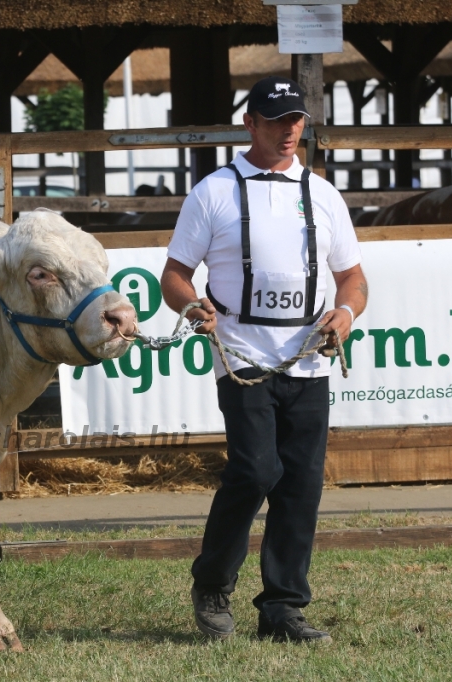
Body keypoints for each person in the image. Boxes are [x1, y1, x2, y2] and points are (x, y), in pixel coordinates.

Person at [160, 77, 368, 644]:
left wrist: (346, 315)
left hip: (309, 358)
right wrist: (194, 306)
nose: (289, 130)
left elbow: (352, 278)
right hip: (243, 357)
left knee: (301, 484)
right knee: (255, 471)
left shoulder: (323, 194)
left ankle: (282, 609)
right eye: (277, 120)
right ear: (250, 123)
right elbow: (174, 276)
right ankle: (212, 585)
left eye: (296, 119)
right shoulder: (214, 192)